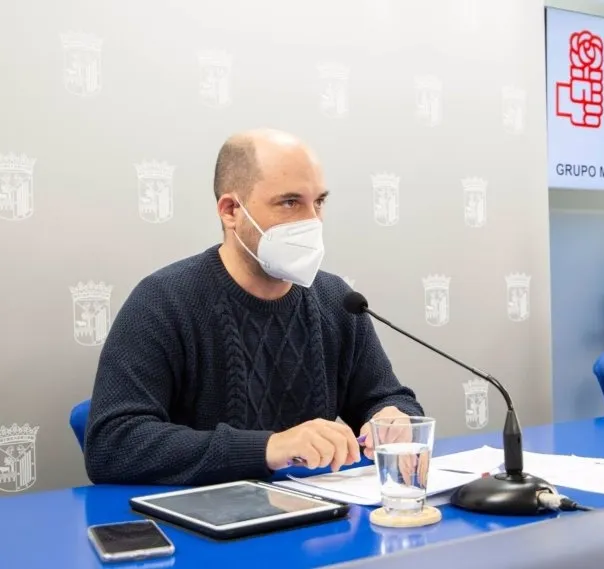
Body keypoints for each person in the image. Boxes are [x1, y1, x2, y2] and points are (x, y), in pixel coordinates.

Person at [84, 128, 424, 485]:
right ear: (231, 211)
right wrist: (268, 447)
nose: (312, 221)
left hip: (316, 523)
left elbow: (386, 397)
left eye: (319, 202)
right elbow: (113, 443)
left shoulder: (336, 300)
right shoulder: (163, 301)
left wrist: (394, 417)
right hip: (205, 524)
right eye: (290, 202)